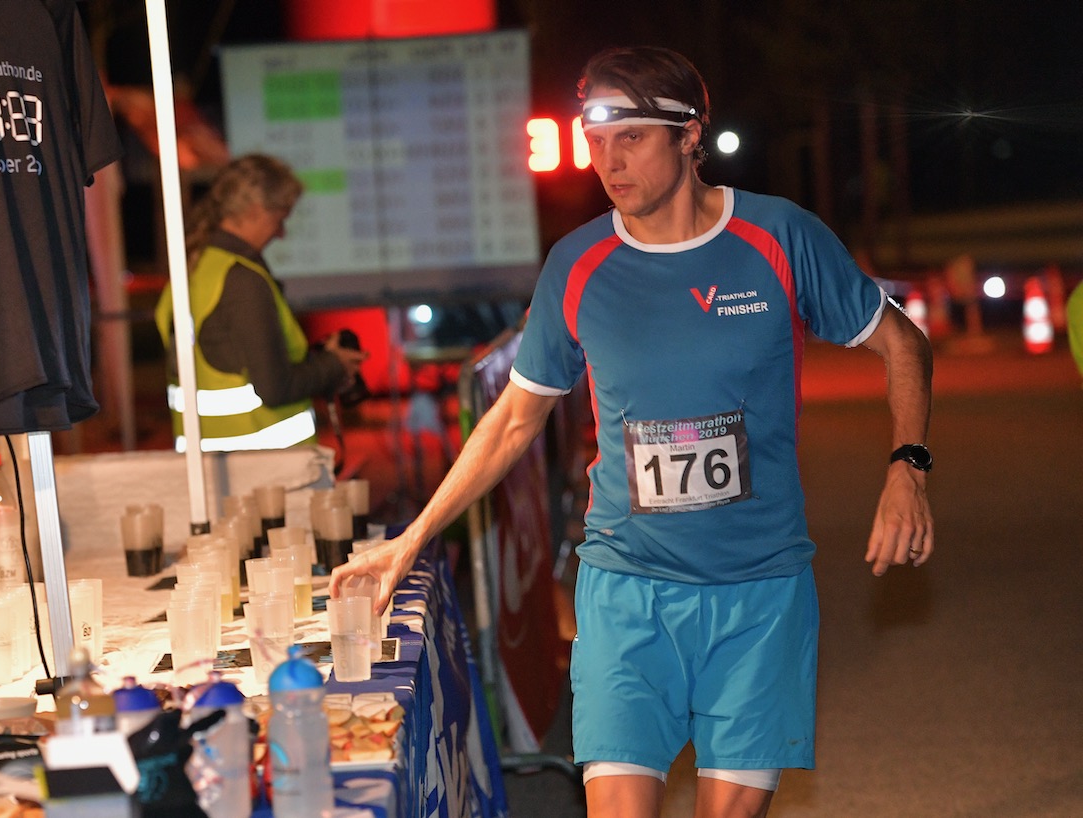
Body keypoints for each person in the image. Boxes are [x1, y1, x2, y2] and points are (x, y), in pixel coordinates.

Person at [332, 46, 934, 818]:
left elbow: (903, 343)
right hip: (626, 591)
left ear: (691, 136)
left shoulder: (779, 237)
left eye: (633, 138)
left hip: (760, 594)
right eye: (596, 140)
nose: (608, 162)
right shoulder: (578, 264)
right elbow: (514, 418)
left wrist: (906, 468)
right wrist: (410, 540)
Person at [155, 154, 365, 453]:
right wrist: (335, 364)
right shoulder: (242, 281)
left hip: (209, 465)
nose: (281, 233)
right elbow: (275, 388)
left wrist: (314, 361)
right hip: (265, 470)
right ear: (254, 211)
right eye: (279, 219)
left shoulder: (192, 269)